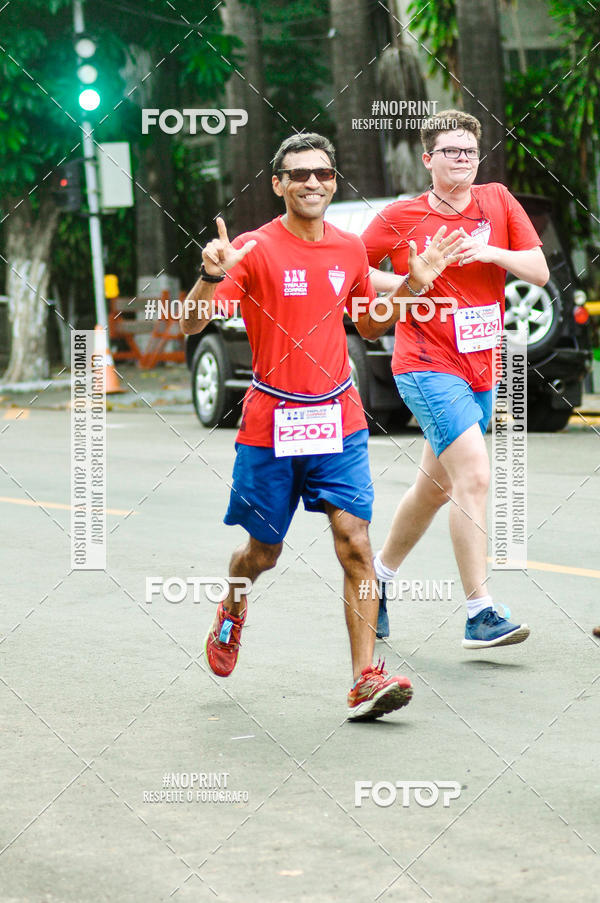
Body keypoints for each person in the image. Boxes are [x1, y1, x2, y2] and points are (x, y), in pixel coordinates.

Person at [180, 132, 461, 719]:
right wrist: (208, 276)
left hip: (338, 417)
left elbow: (371, 327)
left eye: (324, 174)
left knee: (355, 543)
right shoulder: (253, 248)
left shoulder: (349, 249)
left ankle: (364, 680)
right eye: (299, 174)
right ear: (278, 184)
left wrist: (411, 286)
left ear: (334, 181)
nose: (313, 182)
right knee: (262, 554)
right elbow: (188, 325)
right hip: (272, 422)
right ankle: (233, 605)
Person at [361, 110, 549, 646]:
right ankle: (479, 612)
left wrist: (489, 251)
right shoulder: (403, 215)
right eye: (450, 151)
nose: (462, 160)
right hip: (425, 365)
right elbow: (351, 266)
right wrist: (408, 281)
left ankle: (377, 577)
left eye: (469, 151)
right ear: (429, 160)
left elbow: (537, 270)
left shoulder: (497, 201)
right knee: (474, 477)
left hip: (480, 367)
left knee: (435, 487)